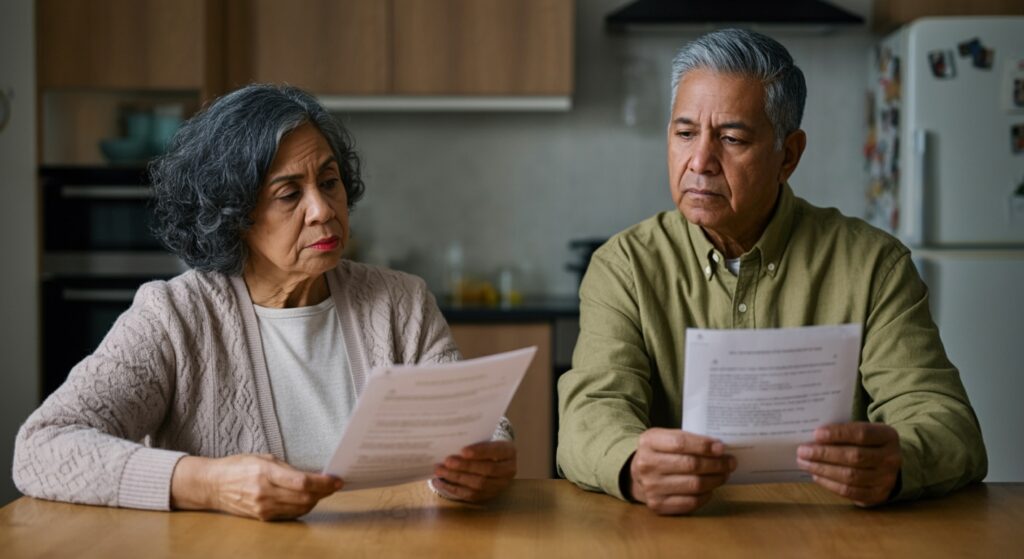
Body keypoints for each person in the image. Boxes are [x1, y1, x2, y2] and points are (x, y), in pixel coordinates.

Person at [13, 84, 516, 520]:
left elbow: (476, 425)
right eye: (288, 193)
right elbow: (42, 448)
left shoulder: (401, 302)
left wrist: (487, 459)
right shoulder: (173, 317)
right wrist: (207, 483)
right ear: (235, 215)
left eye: (329, 181)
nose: (323, 209)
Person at [556, 29, 987, 516]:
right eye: (684, 133)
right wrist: (633, 464)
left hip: (834, 535)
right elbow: (588, 416)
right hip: (677, 532)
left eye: (732, 138)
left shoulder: (873, 266)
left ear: (789, 155)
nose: (700, 161)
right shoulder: (625, 267)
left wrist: (899, 461)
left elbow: (949, 425)